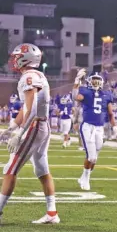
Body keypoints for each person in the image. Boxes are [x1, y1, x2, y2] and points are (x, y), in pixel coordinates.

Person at [0, 43, 59, 224]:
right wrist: (12, 128)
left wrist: (21, 132)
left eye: (17, 57)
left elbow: (32, 109)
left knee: (10, 168)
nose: (14, 60)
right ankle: (52, 213)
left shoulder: (29, 77)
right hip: (41, 125)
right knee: (41, 169)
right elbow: (27, 108)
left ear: (26, 59)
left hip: (35, 126)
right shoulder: (36, 75)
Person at [72, 71, 116, 190]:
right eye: (94, 80)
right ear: (89, 82)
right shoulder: (85, 91)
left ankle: (83, 176)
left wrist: (115, 128)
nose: (96, 82)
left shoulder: (107, 94)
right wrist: (76, 82)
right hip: (87, 126)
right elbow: (75, 97)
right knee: (91, 157)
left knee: (94, 157)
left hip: (99, 128)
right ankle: (86, 179)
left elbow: (111, 113)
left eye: (98, 80)